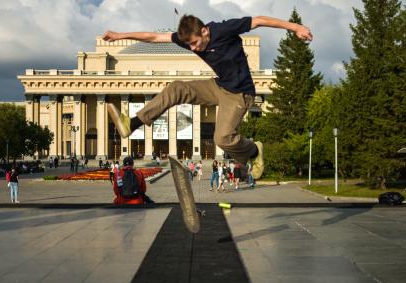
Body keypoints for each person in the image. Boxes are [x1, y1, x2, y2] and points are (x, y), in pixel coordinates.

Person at [103, 14, 312, 181]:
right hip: (218, 85)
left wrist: (295, 27)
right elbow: (154, 37)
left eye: (195, 43)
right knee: (176, 88)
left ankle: (254, 150)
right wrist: (119, 35)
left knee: (221, 138)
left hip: (240, 93)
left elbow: (259, 21)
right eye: (190, 45)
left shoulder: (224, 29)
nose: (193, 49)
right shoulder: (189, 39)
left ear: (204, 31)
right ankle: (132, 123)